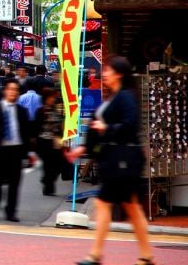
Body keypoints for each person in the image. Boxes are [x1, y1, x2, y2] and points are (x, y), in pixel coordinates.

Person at [69, 56, 154, 265]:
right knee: (126, 206)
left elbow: (129, 126)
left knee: (117, 205)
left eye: (108, 70)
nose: (104, 73)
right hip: (118, 160)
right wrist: (83, 148)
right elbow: (99, 128)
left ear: (119, 74)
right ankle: (144, 255)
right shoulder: (115, 97)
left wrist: (106, 128)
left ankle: (98, 255)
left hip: (122, 160)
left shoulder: (124, 97)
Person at [0, 78, 36, 222]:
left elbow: (27, 133)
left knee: (15, 183)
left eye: (16, 90)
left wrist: (30, 152)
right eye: (10, 89)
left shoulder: (22, 111)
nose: (13, 92)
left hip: (16, 150)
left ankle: (11, 211)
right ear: (5, 91)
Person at [37, 87, 64, 197]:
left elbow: (60, 123)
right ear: (46, 98)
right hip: (44, 141)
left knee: (57, 166)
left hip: (56, 141)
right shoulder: (40, 111)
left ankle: (47, 180)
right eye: (51, 97)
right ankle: (48, 188)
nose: (53, 99)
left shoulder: (55, 110)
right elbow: (37, 127)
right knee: (48, 165)